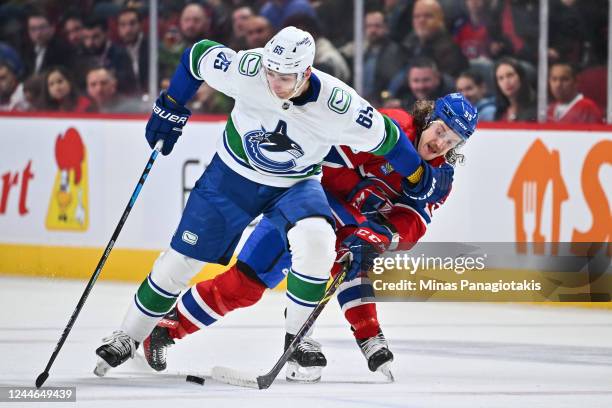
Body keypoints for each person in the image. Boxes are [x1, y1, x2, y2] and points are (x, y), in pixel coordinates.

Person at [94, 26, 456, 381]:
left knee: (317, 240)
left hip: (295, 185)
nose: (274, 82)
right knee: (182, 262)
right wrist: (171, 104)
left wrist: (417, 176)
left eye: (285, 77)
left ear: (306, 72)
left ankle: (298, 338)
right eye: (271, 71)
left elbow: (389, 139)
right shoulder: (249, 69)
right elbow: (197, 55)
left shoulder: (337, 103)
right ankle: (128, 335)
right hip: (231, 178)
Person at [141, 93, 477, 381]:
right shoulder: (392, 128)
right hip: (303, 197)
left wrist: (383, 233)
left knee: (352, 252)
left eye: (452, 140)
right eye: (440, 130)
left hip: (342, 220)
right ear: (428, 117)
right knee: (245, 285)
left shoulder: (440, 177)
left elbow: (412, 222)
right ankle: (167, 327)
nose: (440, 143)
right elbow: (325, 156)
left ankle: (351, 334)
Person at [493, 57, 536, 122]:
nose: (506, 82)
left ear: (521, 77)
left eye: (510, 75)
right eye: (501, 78)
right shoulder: (499, 112)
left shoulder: (536, 108)